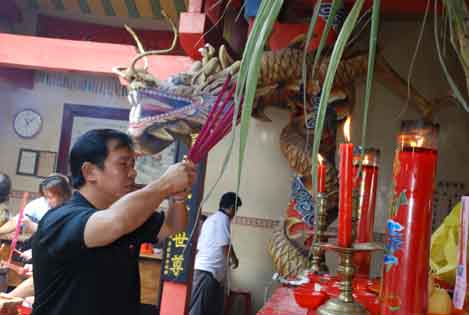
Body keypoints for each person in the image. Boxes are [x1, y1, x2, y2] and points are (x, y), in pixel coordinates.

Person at [31, 129, 196, 315]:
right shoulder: (62, 218)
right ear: (90, 171)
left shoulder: (128, 215)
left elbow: (172, 226)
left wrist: (179, 198)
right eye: (123, 164)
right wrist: (165, 183)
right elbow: (115, 223)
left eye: (133, 164)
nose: (133, 173)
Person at [189, 192, 242, 315]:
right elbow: (225, 244)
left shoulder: (213, 218)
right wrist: (233, 260)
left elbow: (226, 242)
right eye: (236, 209)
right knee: (198, 310)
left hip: (208, 272)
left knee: (208, 309)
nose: (235, 213)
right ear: (231, 208)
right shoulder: (222, 219)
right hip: (206, 271)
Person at [0, 174, 72, 238]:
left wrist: (34, 226)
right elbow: (16, 221)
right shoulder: (39, 203)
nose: (47, 201)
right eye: (45, 196)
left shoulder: (71, 210)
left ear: (63, 194)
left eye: (50, 197)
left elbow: (59, 234)